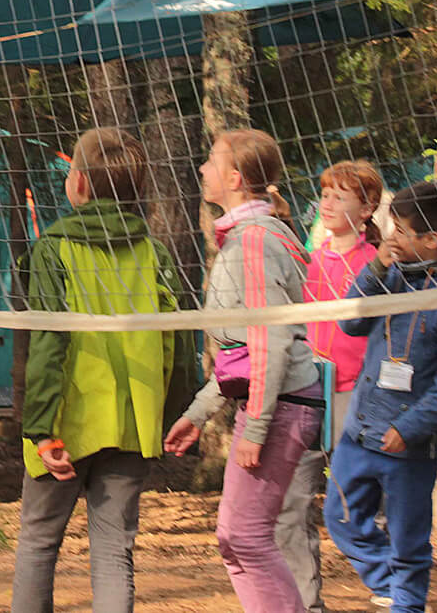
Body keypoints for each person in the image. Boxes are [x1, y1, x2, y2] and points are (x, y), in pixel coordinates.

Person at [11, 128, 193, 613]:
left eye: (72, 167)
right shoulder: (152, 250)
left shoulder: (53, 247)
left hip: (67, 423)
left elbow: (50, 341)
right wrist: (169, 413)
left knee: (38, 542)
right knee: (114, 551)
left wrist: (41, 428)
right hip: (133, 424)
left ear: (80, 185)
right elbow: (177, 340)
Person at [164, 128, 323, 613]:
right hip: (270, 402)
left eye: (212, 161)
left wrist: (255, 425)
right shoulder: (248, 238)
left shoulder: (255, 242)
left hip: (279, 408)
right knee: (238, 540)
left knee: (247, 538)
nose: (202, 169)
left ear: (235, 177)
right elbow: (242, 354)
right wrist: (199, 412)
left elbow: (270, 342)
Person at [325, 180, 437, 613]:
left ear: (432, 239)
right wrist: (376, 267)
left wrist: (408, 428)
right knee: (341, 519)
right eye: (390, 226)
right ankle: (390, 587)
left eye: (401, 230)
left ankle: (407, 605)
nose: (391, 237)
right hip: (361, 429)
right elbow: (350, 323)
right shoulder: (393, 269)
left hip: (407, 443)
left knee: (409, 542)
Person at [276, 160, 383, 613]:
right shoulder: (310, 260)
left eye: (341, 195)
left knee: (359, 500)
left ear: (368, 207)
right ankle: (305, 603)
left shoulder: (378, 263)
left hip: (355, 394)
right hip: (305, 391)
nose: (328, 202)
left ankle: (392, 587)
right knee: (291, 507)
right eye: (325, 193)